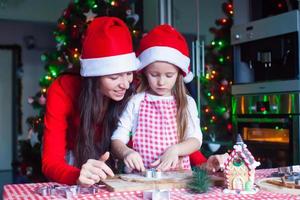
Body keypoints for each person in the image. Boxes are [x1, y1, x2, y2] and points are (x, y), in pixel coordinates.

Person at [42, 17, 140, 186]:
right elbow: (51, 162)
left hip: (118, 172)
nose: (125, 84)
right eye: (114, 77)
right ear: (94, 76)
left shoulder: (133, 88)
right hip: (72, 168)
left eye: (129, 73)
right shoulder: (62, 90)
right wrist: (78, 175)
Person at [111, 24, 204, 172]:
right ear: (145, 72)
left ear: (179, 74)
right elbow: (117, 139)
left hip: (178, 177)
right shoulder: (136, 101)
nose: (161, 82)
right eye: (154, 75)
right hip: (141, 178)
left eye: (169, 75)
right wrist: (126, 152)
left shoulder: (186, 102)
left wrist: (175, 150)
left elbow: (195, 140)